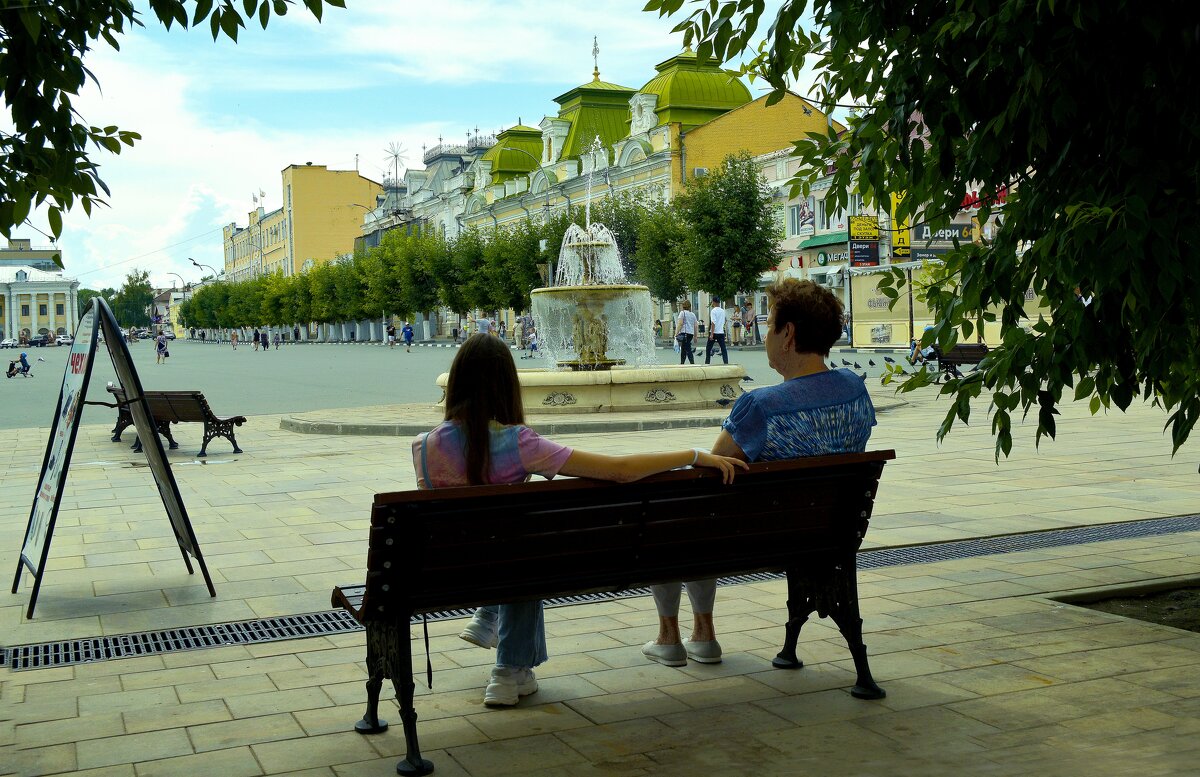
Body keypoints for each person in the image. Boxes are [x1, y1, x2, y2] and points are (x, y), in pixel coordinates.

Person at [414, 334, 746, 706]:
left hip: (445, 576)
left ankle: (494, 629)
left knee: (505, 553)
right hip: (512, 567)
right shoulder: (519, 442)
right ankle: (508, 670)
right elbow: (618, 471)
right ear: (507, 385)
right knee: (519, 557)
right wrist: (693, 454)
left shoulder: (424, 446)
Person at [642, 278, 876, 668]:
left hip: (760, 540)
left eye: (769, 327)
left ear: (788, 335)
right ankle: (701, 635)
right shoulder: (854, 387)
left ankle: (679, 636)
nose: (766, 334)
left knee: (675, 514)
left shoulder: (761, 406)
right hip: (831, 532)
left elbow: (711, 467)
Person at [705, 298, 729, 365]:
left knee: (708, 348)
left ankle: (707, 362)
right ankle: (726, 362)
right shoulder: (723, 311)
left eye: (712, 302)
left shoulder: (713, 311)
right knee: (723, 348)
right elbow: (725, 321)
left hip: (714, 332)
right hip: (721, 332)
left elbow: (713, 322)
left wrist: (712, 334)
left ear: (714, 302)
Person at [675, 300, 697, 365]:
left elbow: (680, 323)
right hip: (690, 334)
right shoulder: (693, 314)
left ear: (683, 306)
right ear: (690, 306)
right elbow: (695, 326)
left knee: (687, 348)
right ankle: (682, 363)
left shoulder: (682, 313)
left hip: (684, 333)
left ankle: (691, 363)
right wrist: (695, 336)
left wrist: (676, 333)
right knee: (684, 348)